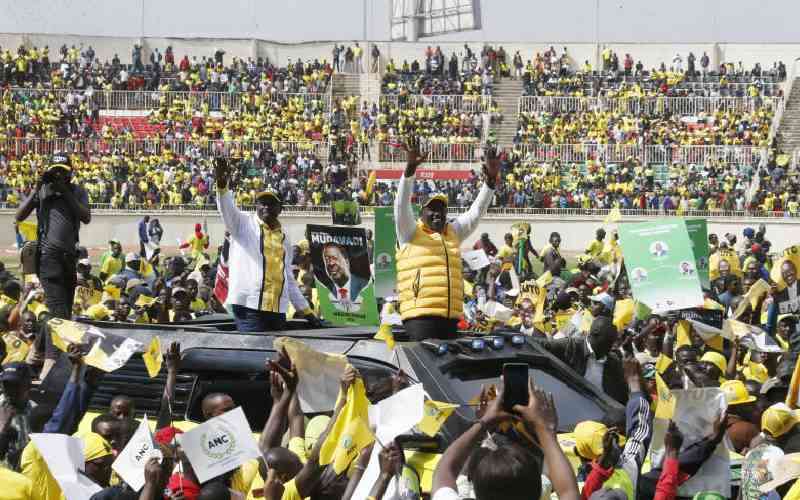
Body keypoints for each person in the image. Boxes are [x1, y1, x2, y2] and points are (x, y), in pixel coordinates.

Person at [395, 136, 499, 340]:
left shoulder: (452, 232)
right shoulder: (409, 232)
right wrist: (410, 170)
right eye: (432, 209)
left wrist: (490, 183)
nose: (437, 214)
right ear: (421, 213)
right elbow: (401, 204)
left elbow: (476, 213)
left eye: (441, 209)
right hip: (420, 318)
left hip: (450, 319)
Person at [214, 158, 318, 332]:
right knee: (254, 349)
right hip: (249, 307)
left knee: (276, 349)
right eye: (262, 203)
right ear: (256, 205)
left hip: (277, 309)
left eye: (271, 203)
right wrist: (222, 185)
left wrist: (306, 311)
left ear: (280, 208)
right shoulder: (242, 223)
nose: (266, 207)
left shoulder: (284, 238)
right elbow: (226, 208)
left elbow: (288, 278)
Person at [15, 153, 90, 319]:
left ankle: (50, 334)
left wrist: (65, 192)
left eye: (62, 171)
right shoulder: (43, 191)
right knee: (58, 310)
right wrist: (36, 189)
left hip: (69, 257)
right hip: (48, 257)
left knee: (66, 310)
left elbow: (86, 217)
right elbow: (19, 216)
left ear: (70, 173)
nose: (58, 175)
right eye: (55, 171)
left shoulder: (77, 191)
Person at [538, 316, 627, 404]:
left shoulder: (614, 363)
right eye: (609, 340)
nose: (612, 345)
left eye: (613, 341)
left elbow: (622, 396)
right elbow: (536, 344)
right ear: (595, 334)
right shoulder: (570, 346)